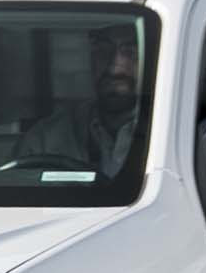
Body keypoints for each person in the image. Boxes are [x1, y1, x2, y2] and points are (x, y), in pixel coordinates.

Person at [15, 22, 142, 176]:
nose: (114, 68)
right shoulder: (45, 140)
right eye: (103, 50)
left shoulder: (171, 134)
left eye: (131, 52)